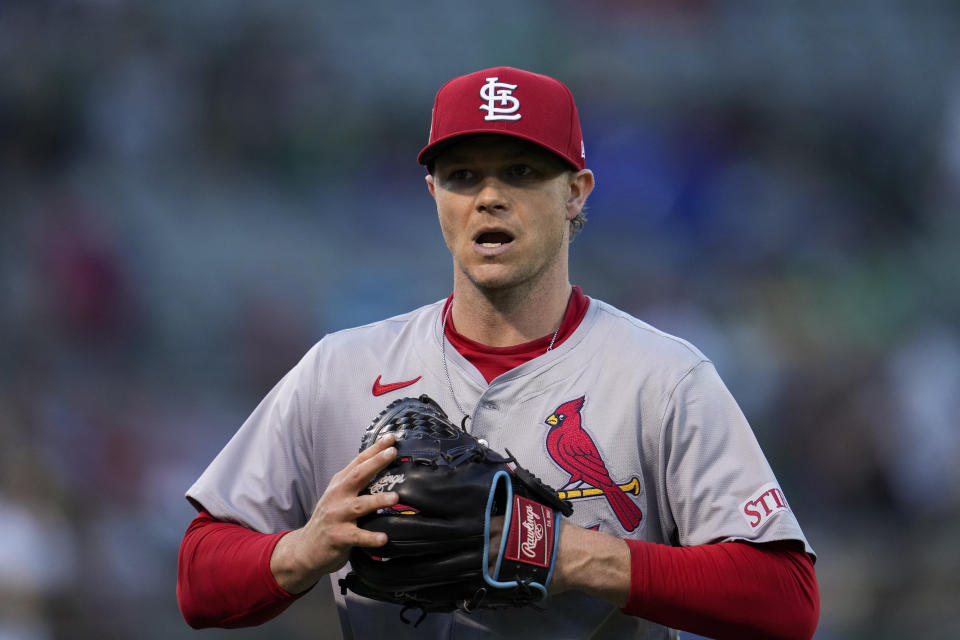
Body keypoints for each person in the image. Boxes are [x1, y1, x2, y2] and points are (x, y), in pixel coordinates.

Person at [177, 66, 819, 639]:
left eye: (521, 171)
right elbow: (199, 578)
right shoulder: (339, 370)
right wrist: (304, 549)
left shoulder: (662, 378)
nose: (489, 196)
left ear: (576, 193)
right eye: (462, 175)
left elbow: (786, 598)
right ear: (433, 193)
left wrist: (572, 555)